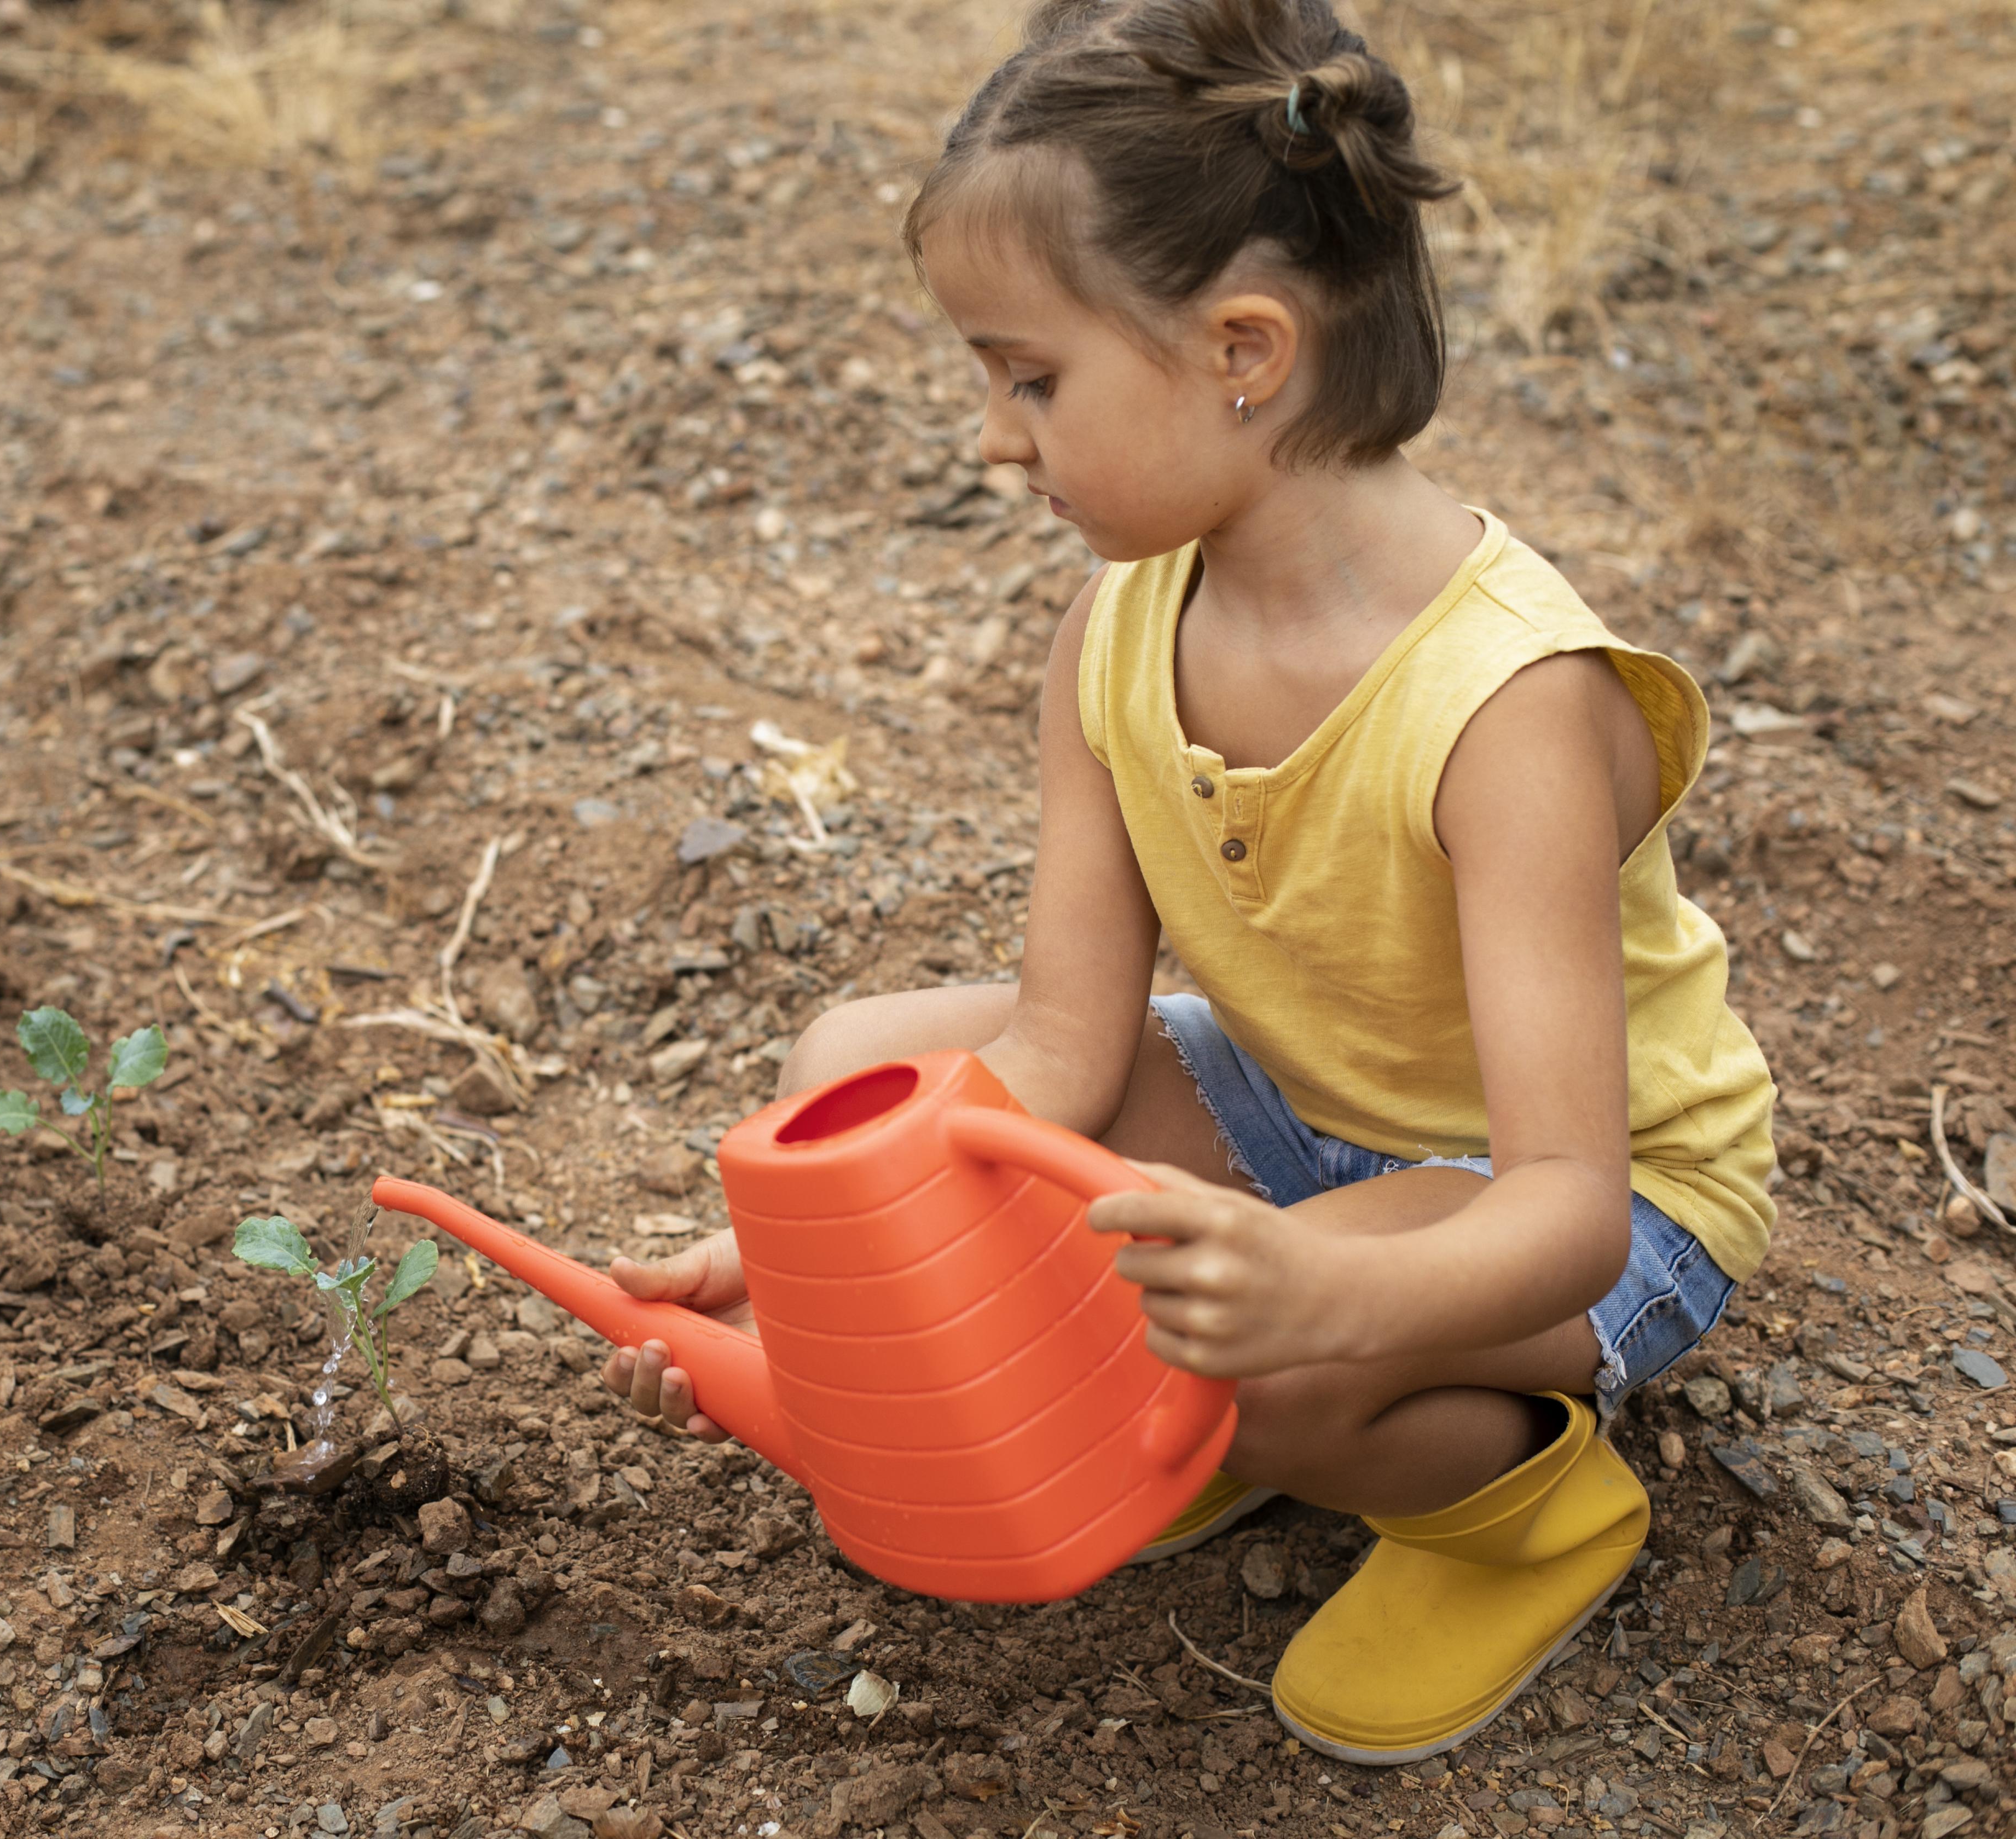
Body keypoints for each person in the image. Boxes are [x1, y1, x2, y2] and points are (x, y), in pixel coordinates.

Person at [596, 0, 1775, 1768]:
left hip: (1579, 1200)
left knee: (1262, 1369)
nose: (995, 441)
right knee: (859, 1060)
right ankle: (1199, 1413)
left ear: (1243, 349)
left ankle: (1522, 1513)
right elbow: (1067, 1048)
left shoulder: (1508, 709)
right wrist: (809, 1272)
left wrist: (1318, 1296)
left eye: (1031, 377)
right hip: (1300, 1111)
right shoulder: (1119, 627)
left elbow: (1568, 1206)